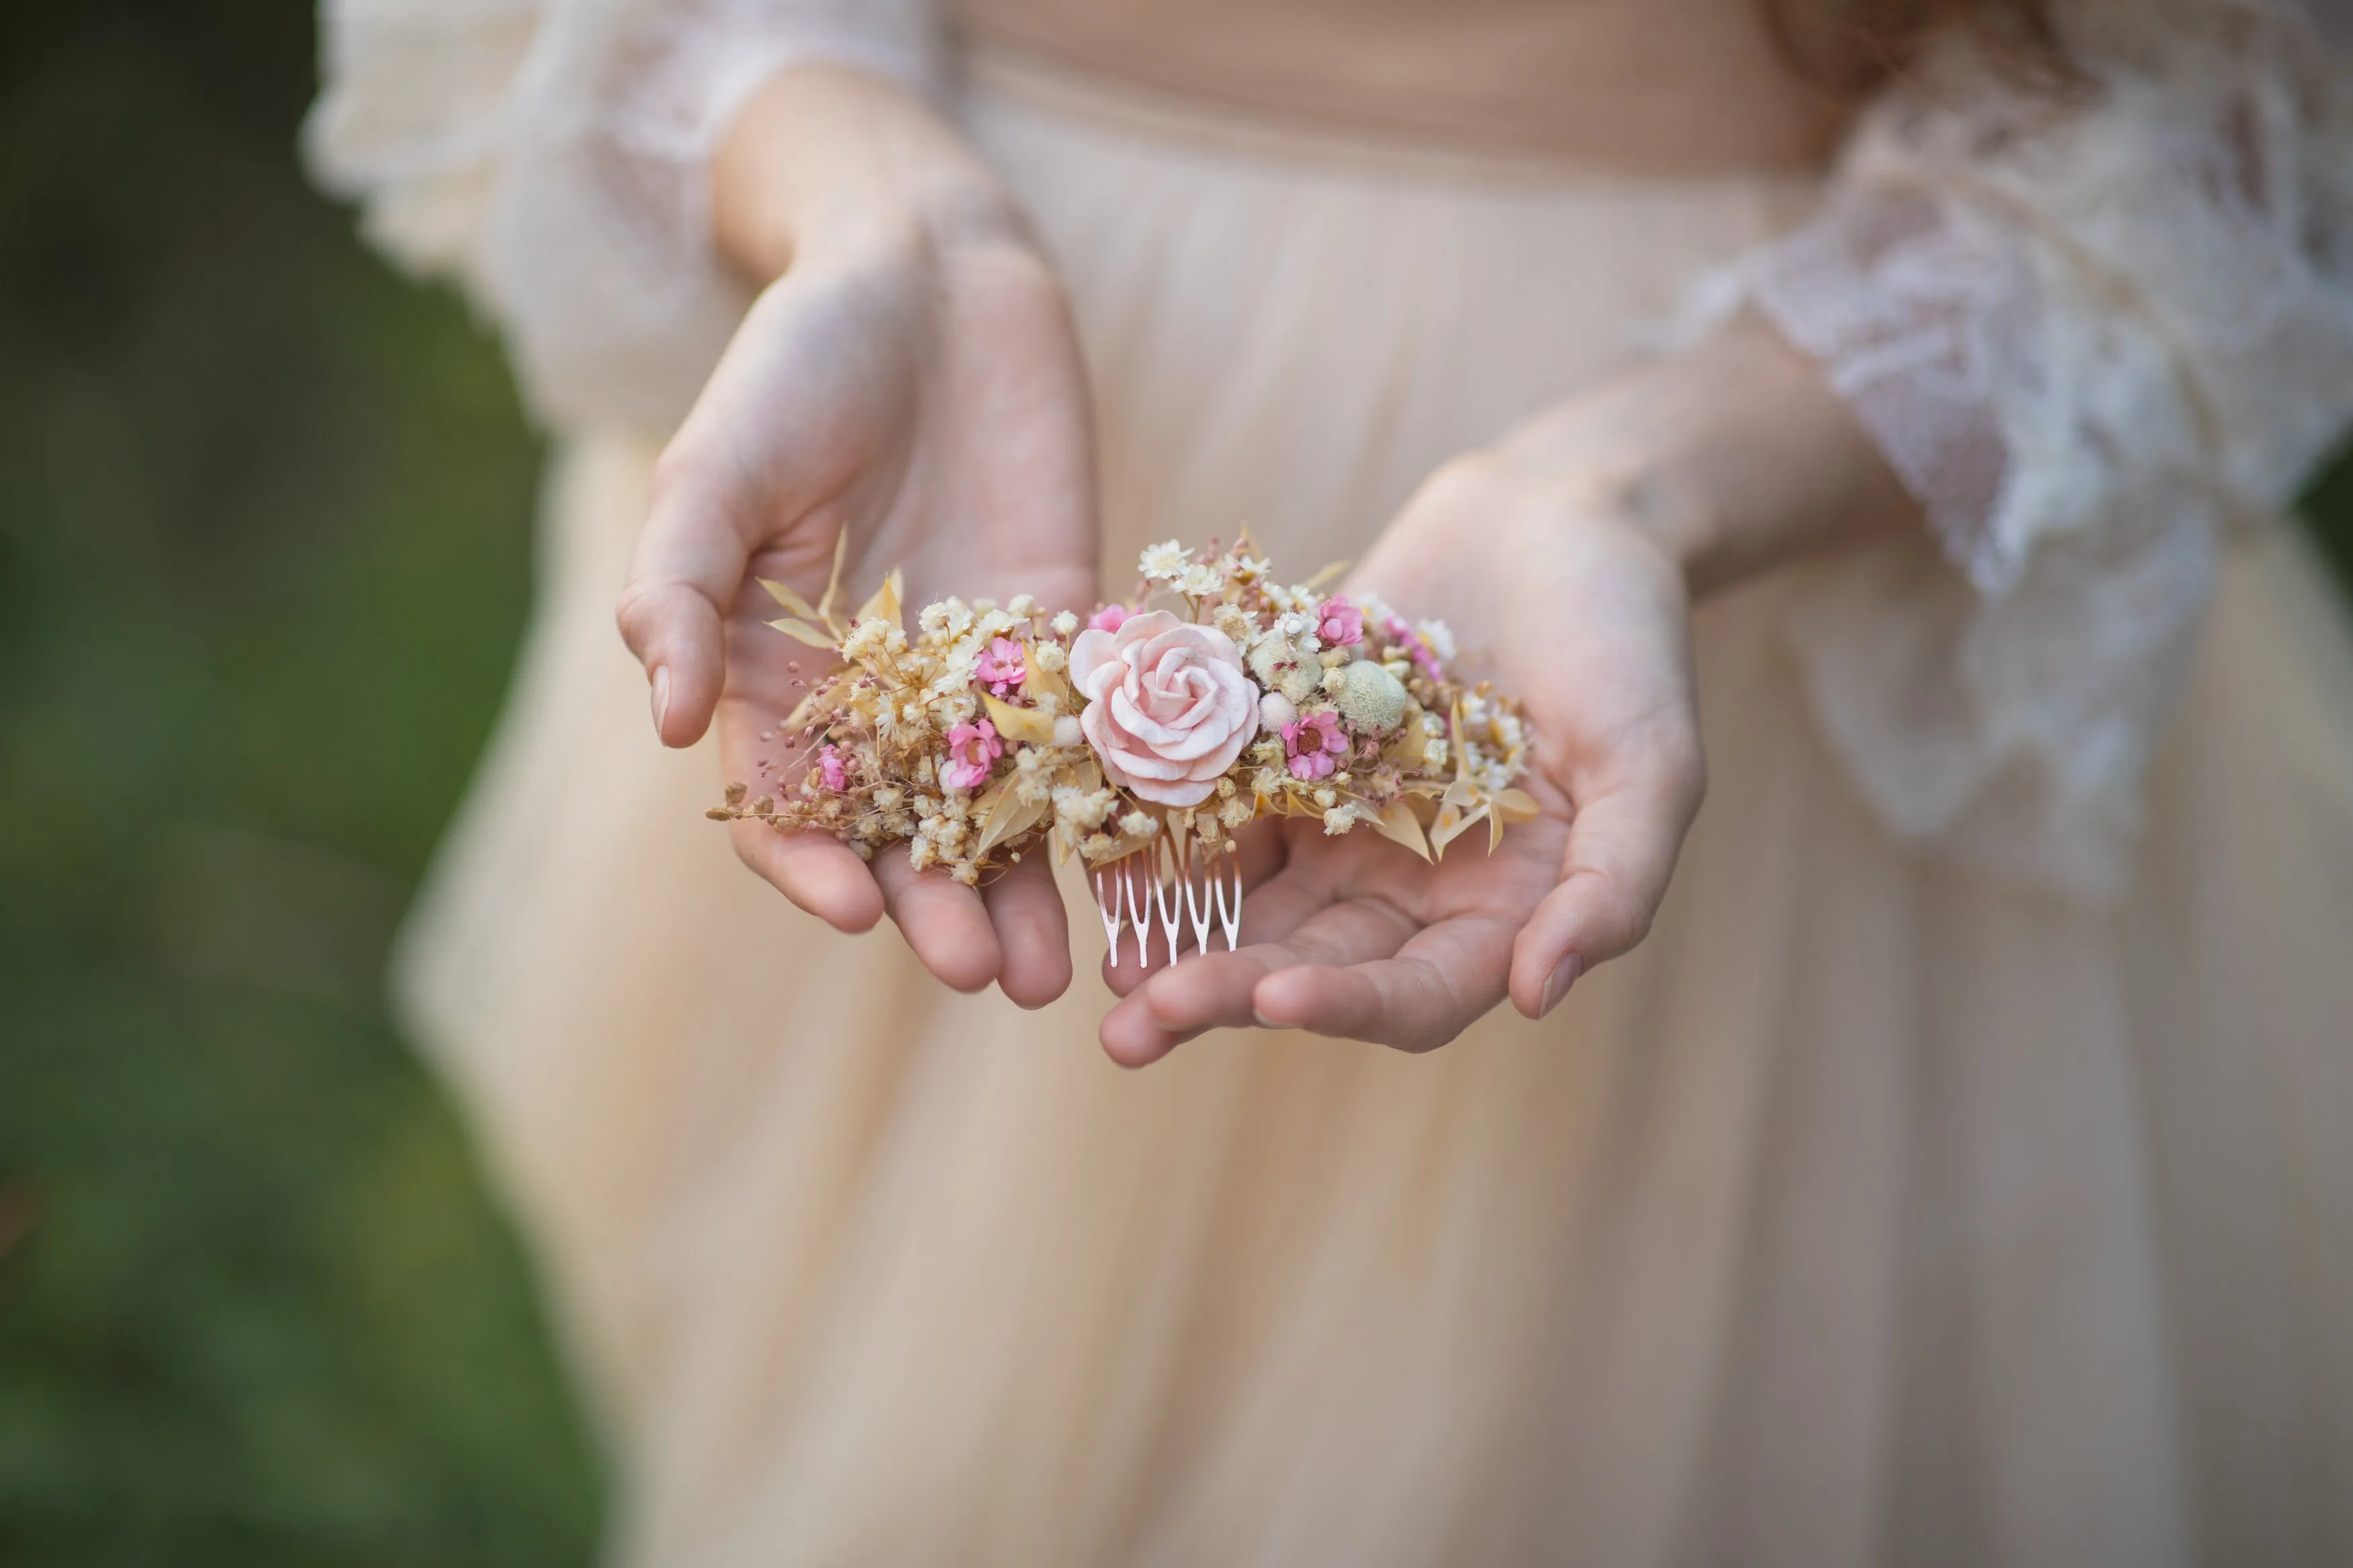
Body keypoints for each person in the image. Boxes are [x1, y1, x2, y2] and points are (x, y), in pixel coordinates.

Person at [309, 0, 2353, 1561]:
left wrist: (1626, 488)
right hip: (954, 451)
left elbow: (2204, 140)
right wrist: (874, 205)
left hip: (1731, 507)